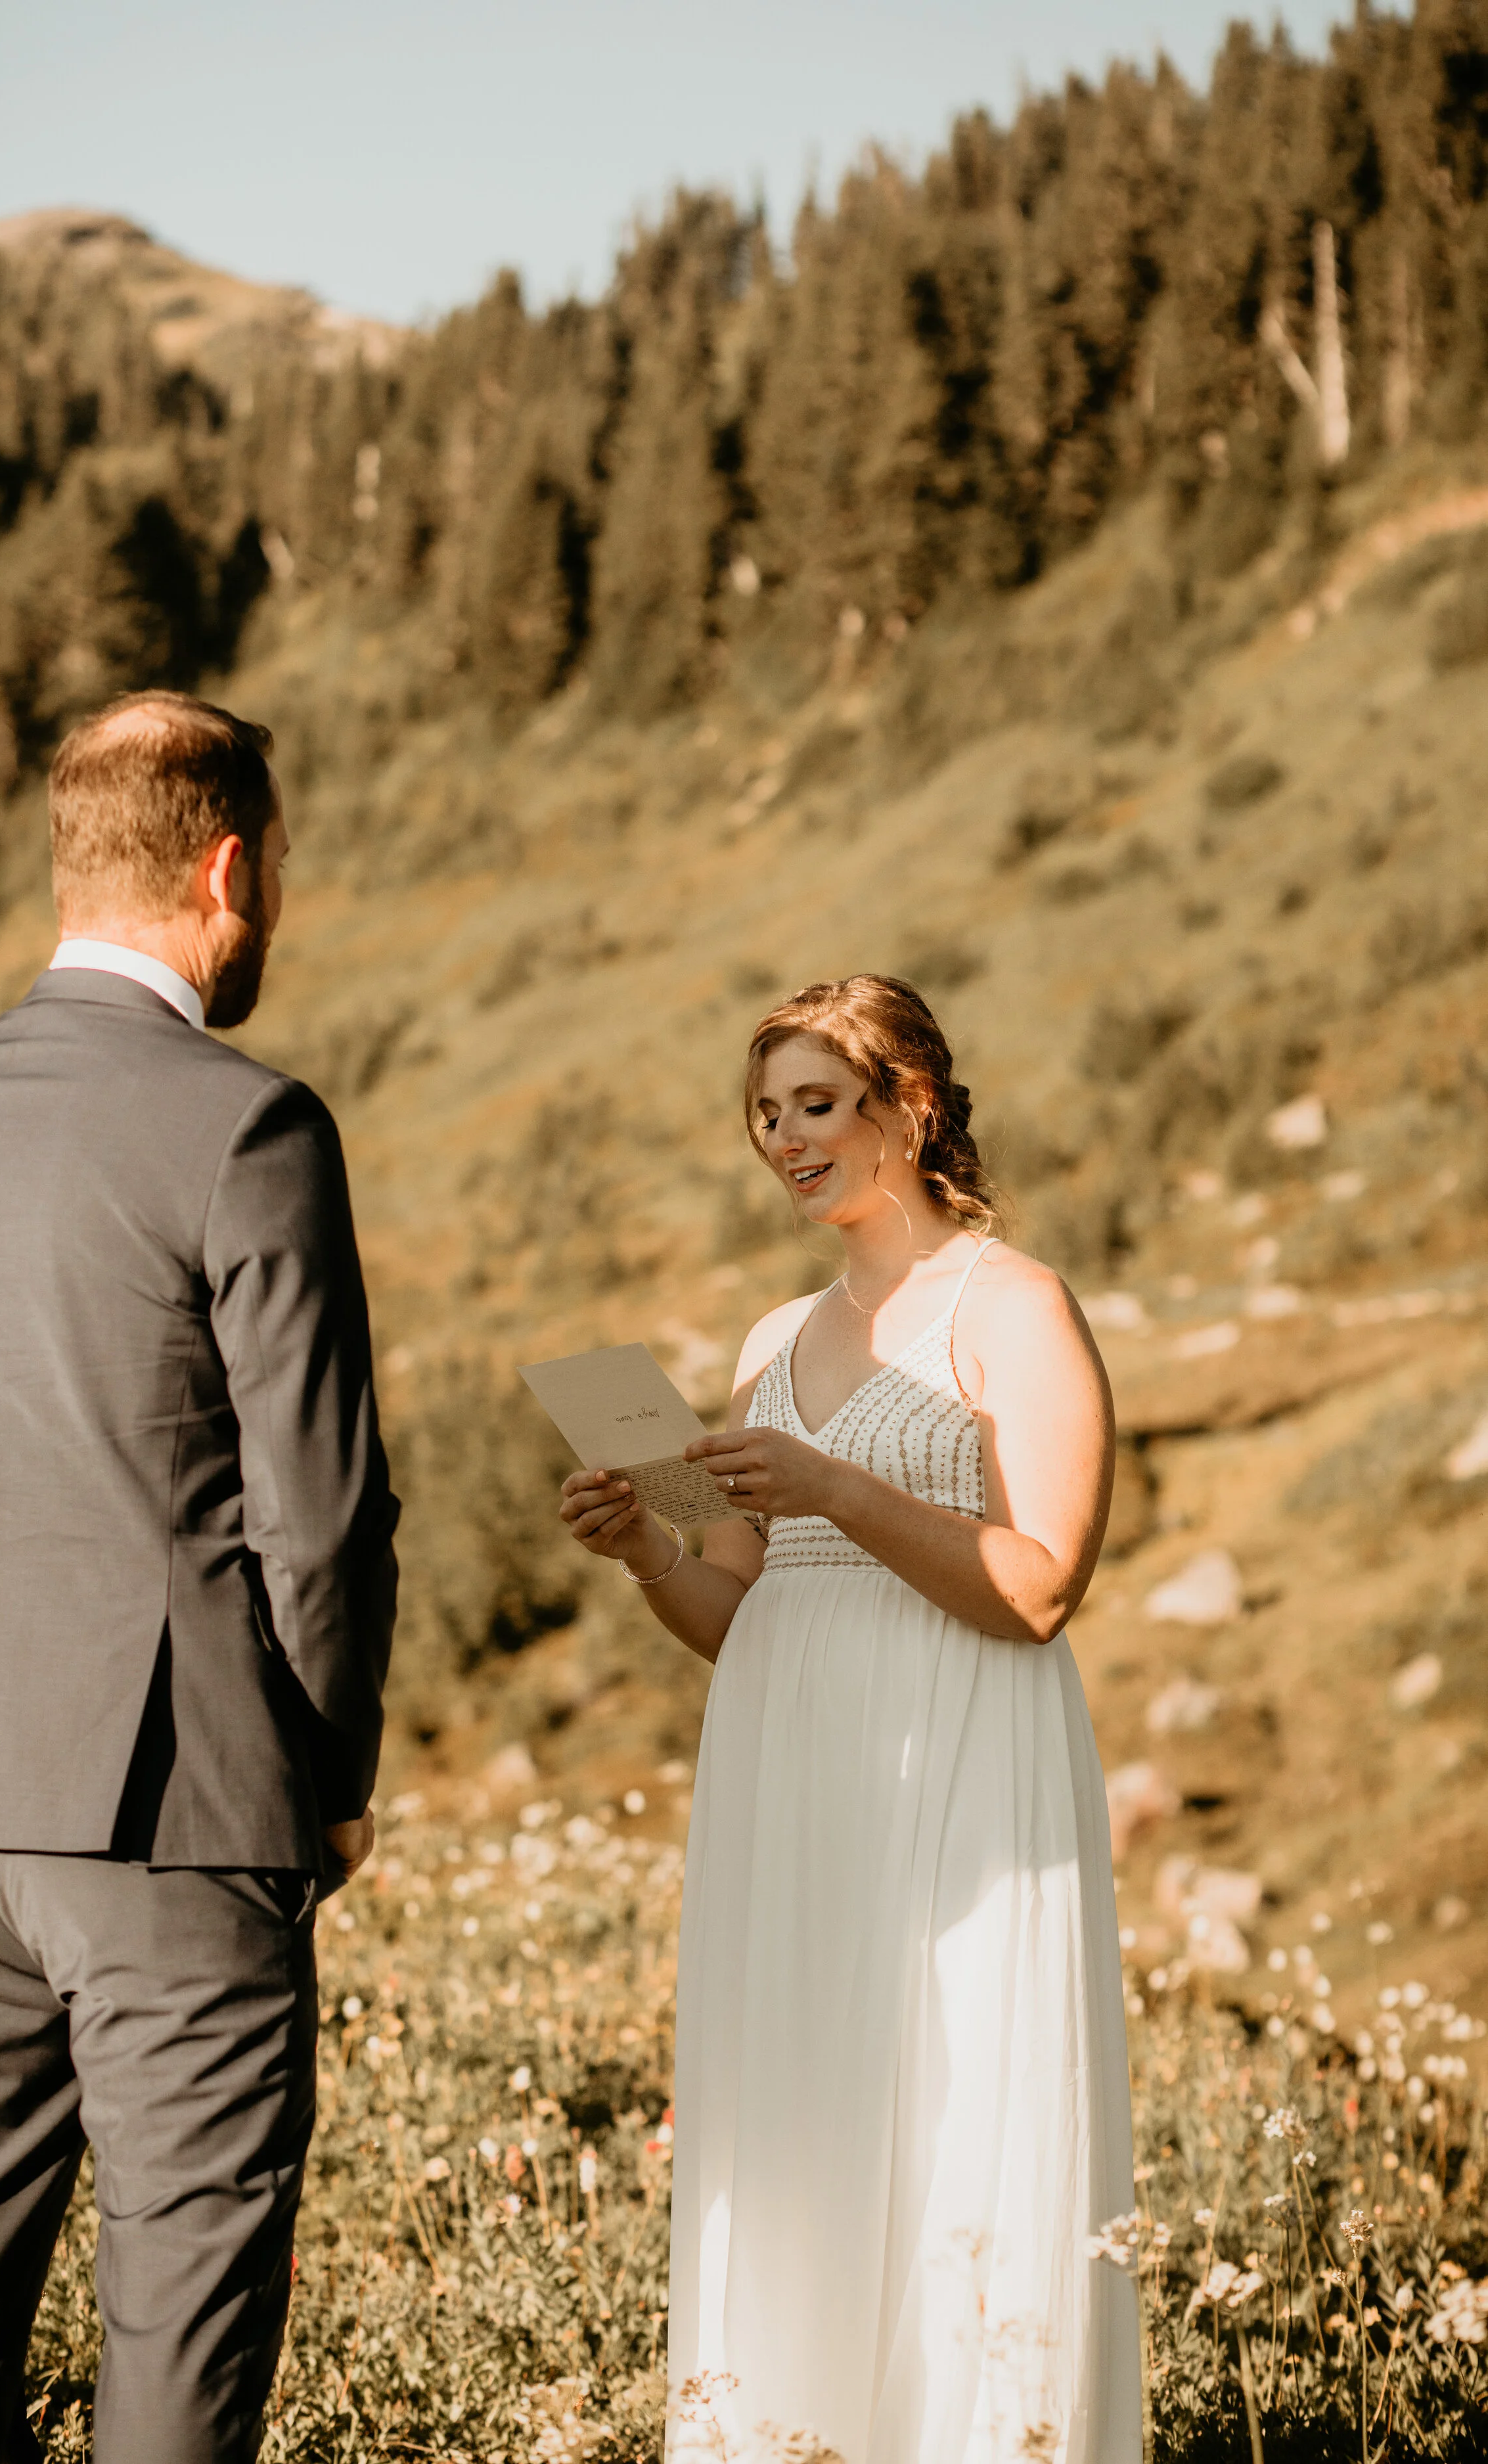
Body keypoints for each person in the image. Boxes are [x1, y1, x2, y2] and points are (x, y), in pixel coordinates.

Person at [0, 691, 399, 2463]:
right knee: (181, 2315)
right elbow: (322, 1514)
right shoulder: (248, 1124)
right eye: (277, 868)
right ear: (227, 868)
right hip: (175, 1806)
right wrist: (320, 1785)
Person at [560, 976, 1140, 2464]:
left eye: (816, 1104)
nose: (784, 1138)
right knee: (803, 2115)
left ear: (910, 1105)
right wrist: (643, 1544)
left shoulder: (1014, 1305)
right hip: (788, 1768)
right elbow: (733, 1612)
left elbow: (1039, 1585)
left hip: (957, 1752)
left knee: (955, 2103)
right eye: (766, 1114)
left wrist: (832, 1489)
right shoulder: (767, 1340)